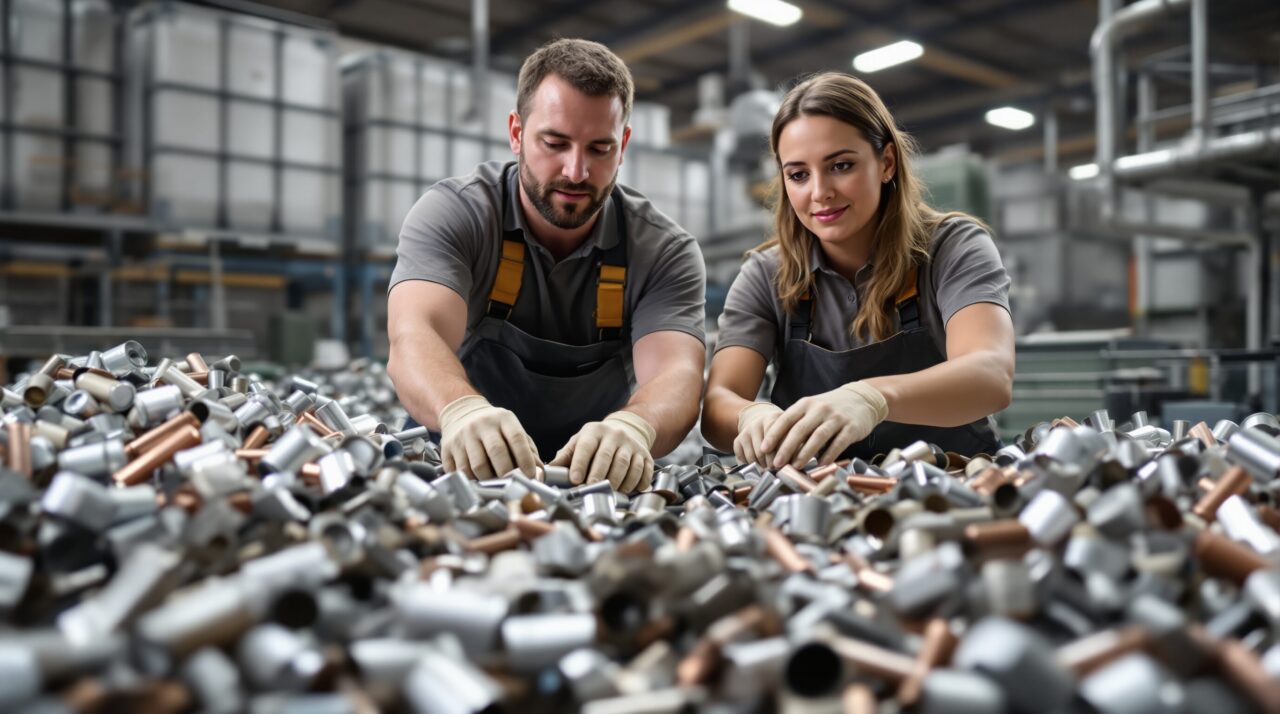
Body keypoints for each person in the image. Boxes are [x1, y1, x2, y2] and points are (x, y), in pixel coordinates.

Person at [386, 39, 706, 491]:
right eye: (555, 143)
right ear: (516, 132)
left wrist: (636, 427)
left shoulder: (663, 251)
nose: (576, 171)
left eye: (599, 149)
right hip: (451, 471)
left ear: (624, 144)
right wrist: (461, 410)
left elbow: (678, 374)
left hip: (592, 483)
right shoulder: (457, 213)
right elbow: (414, 336)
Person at [701, 72, 1014, 469]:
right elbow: (719, 403)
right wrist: (750, 416)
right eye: (798, 174)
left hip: (954, 485)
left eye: (841, 165)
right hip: (816, 499)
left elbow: (990, 374)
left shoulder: (953, 247)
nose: (819, 192)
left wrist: (873, 398)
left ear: (886, 162)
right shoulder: (766, 274)